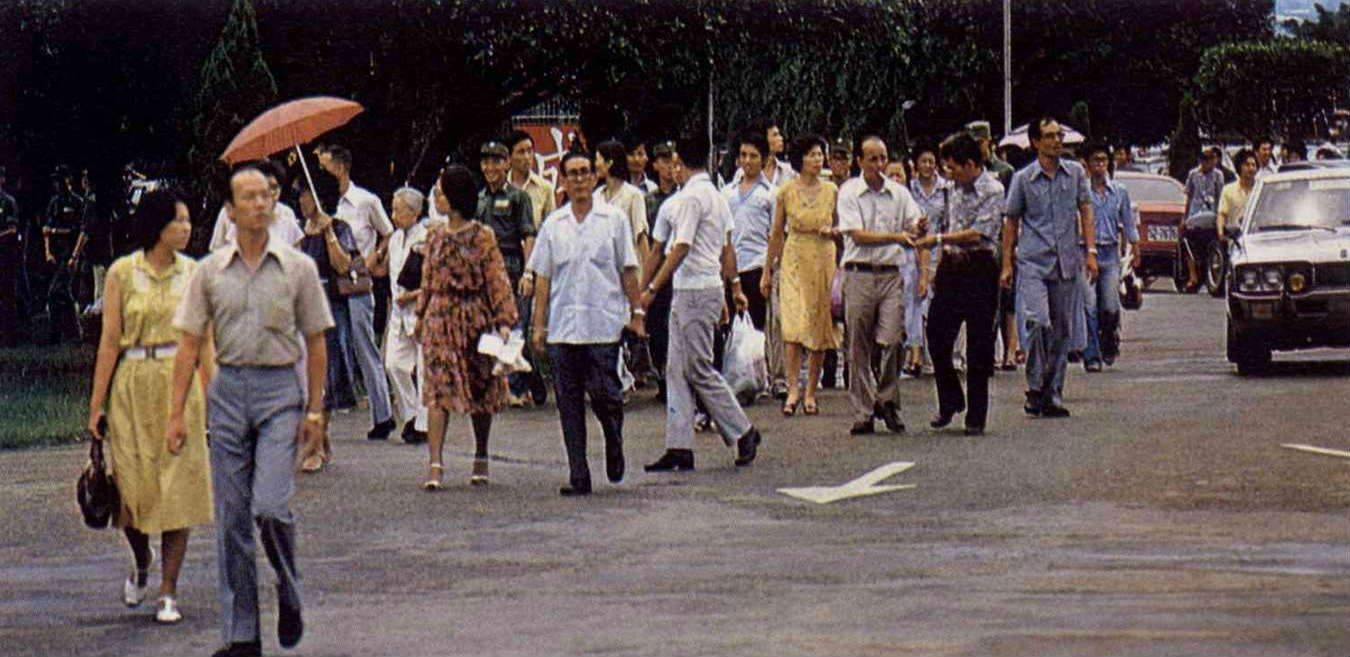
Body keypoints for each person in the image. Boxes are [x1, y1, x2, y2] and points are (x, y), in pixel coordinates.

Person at [169, 164, 333, 657]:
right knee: (232, 518)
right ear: (230, 209)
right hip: (228, 391)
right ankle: (241, 634)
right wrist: (177, 414)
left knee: (270, 506)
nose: (260, 204)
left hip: (280, 391)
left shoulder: (297, 268)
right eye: (248, 197)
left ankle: (288, 588)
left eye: (266, 195)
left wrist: (315, 411)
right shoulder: (209, 271)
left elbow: (317, 340)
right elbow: (189, 343)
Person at [86, 189, 212, 625]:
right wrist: (96, 404)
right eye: (179, 220)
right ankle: (142, 561)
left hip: (180, 384)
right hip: (133, 384)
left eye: (189, 220)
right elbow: (109, 340)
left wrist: (216, 396)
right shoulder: (123, 272)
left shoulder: (194, 273)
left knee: (178, 490)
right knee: (131, 491)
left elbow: (205, 341)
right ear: (157, 225)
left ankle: (168, 591)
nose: (186, 228)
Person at [640, 135, 761, 472]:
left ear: (679, 162)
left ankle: (743, 429)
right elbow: (726, 248)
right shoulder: (717, 198)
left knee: (697, 368)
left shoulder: (693, 199)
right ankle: (679, 445)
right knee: (676, 369)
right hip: (697, 288)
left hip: (695, 288)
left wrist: (651, 288)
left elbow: (681, 247)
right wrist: (732, 287)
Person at [528, 151, 645, 496]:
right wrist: (538, 324)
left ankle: (614, 439)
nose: (579, 179)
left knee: (606, 396)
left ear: (594, 177)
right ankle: (578, 473)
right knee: (568, 403)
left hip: (603, 325)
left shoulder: (613, 220)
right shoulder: (554, 224)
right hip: (564, 327)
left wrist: (637, 313)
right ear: (563, 181)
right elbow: (543, 277)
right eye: (572, 174)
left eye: (584, 173)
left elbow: (628, 269)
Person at [416, 165, 518, 489]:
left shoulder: (482, 236)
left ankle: (481, 454)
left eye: (441, 192)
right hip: (440, 318)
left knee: (480, 388)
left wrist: (504, 320)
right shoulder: (434, 235)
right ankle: (435, 464)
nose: (437, 198)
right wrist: (420, 316)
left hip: (474, 316)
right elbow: (427, 279)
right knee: (437, 390)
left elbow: (496, 278)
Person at [1002, 117, 1097, 419]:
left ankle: (1052, 392)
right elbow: (1011, 221)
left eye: (1059, 136)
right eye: (1049, 136)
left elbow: (1086, 209)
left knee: (1061, 330)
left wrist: (1091, 251)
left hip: (1067, 261)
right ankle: (1035, 386)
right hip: (1033, 262)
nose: (1056, 141)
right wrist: (1006, 264)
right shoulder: (1023, 179)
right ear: (1036, 142)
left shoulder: (1075, 173)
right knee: (1038, 322)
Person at [912, 133, 1005, 435]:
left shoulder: (993, 189)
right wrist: (927, 231)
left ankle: (976, 415)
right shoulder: (950, 189)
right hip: (951, 267)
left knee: (978, 344)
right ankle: (950, 397)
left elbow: (979, 233)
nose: (949, 174)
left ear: (970, 164)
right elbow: (943, 223)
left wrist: (938, 239)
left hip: (980, 266)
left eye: (953, 167)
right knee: (937, 335)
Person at [836, 136, 922, 435]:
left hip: (890, 273)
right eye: (872, 158)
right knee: (858, 344)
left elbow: (914, 222)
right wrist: (896, 237)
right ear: (860, 161)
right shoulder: (849, 192)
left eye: (883, 158)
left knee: (893, 338)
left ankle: (887, 399)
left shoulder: (899, 193)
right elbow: (857, 235)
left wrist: (918, 228)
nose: (879, 165)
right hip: (859, 272)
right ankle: (863, 411)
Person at [762, 133, 839, 417]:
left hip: (822, 257)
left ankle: (811, 391)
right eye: (812, 154)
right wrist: (767, 270)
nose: (817, 159)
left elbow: (843, 227)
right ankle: (793, 387)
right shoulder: (786, 191)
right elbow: (776, 233)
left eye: (820, 154)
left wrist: (833, 232)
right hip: (794, 256)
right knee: (792, 325)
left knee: (819, 326)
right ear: (800, 159)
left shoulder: (832, 190)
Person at [324, 145, 396, 440]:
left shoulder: (366, 201)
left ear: (340, 168)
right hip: (331, 280)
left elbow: (388, 232)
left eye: (326, 166)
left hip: (357, 279)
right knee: (333, 345)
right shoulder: (324, 204)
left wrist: (375, 257)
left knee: (363, 344)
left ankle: (383, 413)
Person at [295, 173, 360, 472]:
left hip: (330, 307)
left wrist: (329, 233)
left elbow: (344, 265)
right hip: (302, 308)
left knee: (326, 376)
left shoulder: (339, 227)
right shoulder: (299, 230)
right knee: (304, 376)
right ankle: (319, 438)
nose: (301, 200)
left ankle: (317, 445)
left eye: (305, 194)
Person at [475, 140, 540, 408]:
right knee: (491, 326)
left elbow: (529, 235)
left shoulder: (518, 197)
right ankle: (512, 382)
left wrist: (528, 272)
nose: (490, 167)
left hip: (511, 264)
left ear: (507, 164)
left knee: (515, 325)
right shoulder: (479, 198)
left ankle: (517, 386)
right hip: (485, 269)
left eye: (496, 161)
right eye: (486, 162)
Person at [1079, 142, 1140, 372]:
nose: (1100, 165)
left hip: (1110, 253)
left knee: (1110, 306)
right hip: (1085, 253)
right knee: (1089, 306)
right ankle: (1091, 355)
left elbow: (1128, 221)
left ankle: (1109, 338)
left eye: (1103, 160)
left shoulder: (1119, 191)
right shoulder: (1081, 191)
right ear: (1087, 164)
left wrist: (1135, 247)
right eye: (1095, 160)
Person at [384, 187, 429, 445]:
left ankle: (423, 424)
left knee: (423, 370)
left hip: (420, 310)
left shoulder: (426, 237)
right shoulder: (394, 239)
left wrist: (412, 296)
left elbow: (435, 280)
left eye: (397, 210)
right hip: (399, 314)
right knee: (394, 364)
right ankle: (411, 413)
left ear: (414, 213)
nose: (393, 216)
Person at [641, 140, 684, 397]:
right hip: (656, 267)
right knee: (657, 326)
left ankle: (677, 377)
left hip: (679, 267)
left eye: (675, 162)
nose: (670, 167)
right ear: (656, 165)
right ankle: (661, 375)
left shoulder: (683, 198)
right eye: (665, 161)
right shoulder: (649, 201)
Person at [907, 145, 949, 376]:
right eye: (923, 161)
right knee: (915, 301)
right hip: (912, 249)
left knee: (934, 303)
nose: (927, 165)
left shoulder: (945, 189)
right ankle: (916, 352)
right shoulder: (909, 188)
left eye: (931, 161)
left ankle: (938, 353)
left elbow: (947, 222)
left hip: (938, 248)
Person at [208, 160, 302, 251]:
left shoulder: (287, 216)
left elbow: (296, 252)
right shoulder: (234, 215)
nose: (269, 193)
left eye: (274, 187)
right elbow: (217, 250)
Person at [43, 166, 87, 344]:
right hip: (56, 253)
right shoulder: (53, 202)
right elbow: (45, 230)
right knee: (63, 294)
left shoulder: (77, 202)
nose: (57, 184)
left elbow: (78, 230)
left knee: (55, 292)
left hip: (69, 253)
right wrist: (47, 251)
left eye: (60, 179)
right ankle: (71, 333)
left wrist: (74, 256)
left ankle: (59, 334)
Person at [1181, 147, 1225, 292]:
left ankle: (1210, 275)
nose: (1210, 163)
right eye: (1207, 160)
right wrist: (1184, 217)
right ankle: (1192, 276)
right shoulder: (1193, 174)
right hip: (1195, 215)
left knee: (1212, 245)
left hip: (1211, 215)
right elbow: (1189, 196)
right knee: (1188, 244)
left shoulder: (1218, 175)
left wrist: (1220, 216)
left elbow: (1220, 196)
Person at [505, 129, 557, 230]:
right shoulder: (501, 187)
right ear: (509, 157)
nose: (527, 157)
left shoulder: (544, 188)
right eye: (521, 152)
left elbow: (551, 227)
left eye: (530, 151)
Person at [1217, 149, 1258, 243]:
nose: (1251, 168)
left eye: (1253, 165)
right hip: (1233, 238)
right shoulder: (1228, 190)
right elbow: (1222, 214)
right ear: (1240, 167)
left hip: (1254, 236)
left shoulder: (1259, 190)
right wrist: (1221, 234)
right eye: (1247, 165)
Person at [0, 167, 19, 346]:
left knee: (7, 295)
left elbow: (13, 229)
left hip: (5, 256)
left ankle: (10, 337)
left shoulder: (8, 202)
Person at [965, 120, 1014, 189]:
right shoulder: (967, 170)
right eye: (971, 145)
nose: (976, 147)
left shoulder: (1005, 170)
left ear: (988, 140)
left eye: (979, 143)